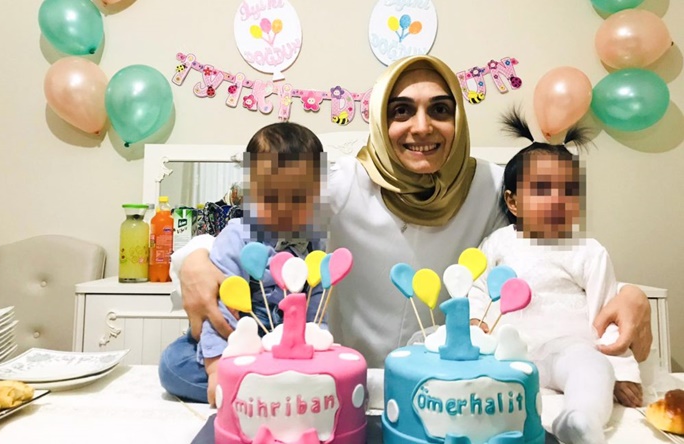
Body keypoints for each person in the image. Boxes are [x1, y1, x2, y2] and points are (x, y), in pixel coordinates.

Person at [160, 55, 652, 401]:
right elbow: (254, 225)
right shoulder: (340, 183)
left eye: (439, 109)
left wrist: (629, 292)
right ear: (380, 119)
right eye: (401, 110)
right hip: (336, 384)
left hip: (442, 390)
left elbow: (551, 253)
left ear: (458, 118)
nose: (421, 126)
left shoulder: (489, 186)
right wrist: (194, 259)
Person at [468, 111, 641, 443]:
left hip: (567, 349)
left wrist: (621, 371)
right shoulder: (498, 243)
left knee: (592, 369)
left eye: (568, 190)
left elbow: (609, 312)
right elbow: (480, 288)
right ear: (512, 201)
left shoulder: (587, 250)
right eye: (542, 188)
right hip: (507, 352)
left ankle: (581, 419)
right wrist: (477, 323)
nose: (557, 199)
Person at [160, 122, 326, 403]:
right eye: (270, 196)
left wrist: (318, 352)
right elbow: (220, 306)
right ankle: (264, 387)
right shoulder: (237, 235)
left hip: (287, 344)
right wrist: (216, 369)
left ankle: (271, 387)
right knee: (173, 365)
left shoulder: (314, 241)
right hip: (235, 336)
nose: (284, 208)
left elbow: (317, 308)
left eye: (298, 197)